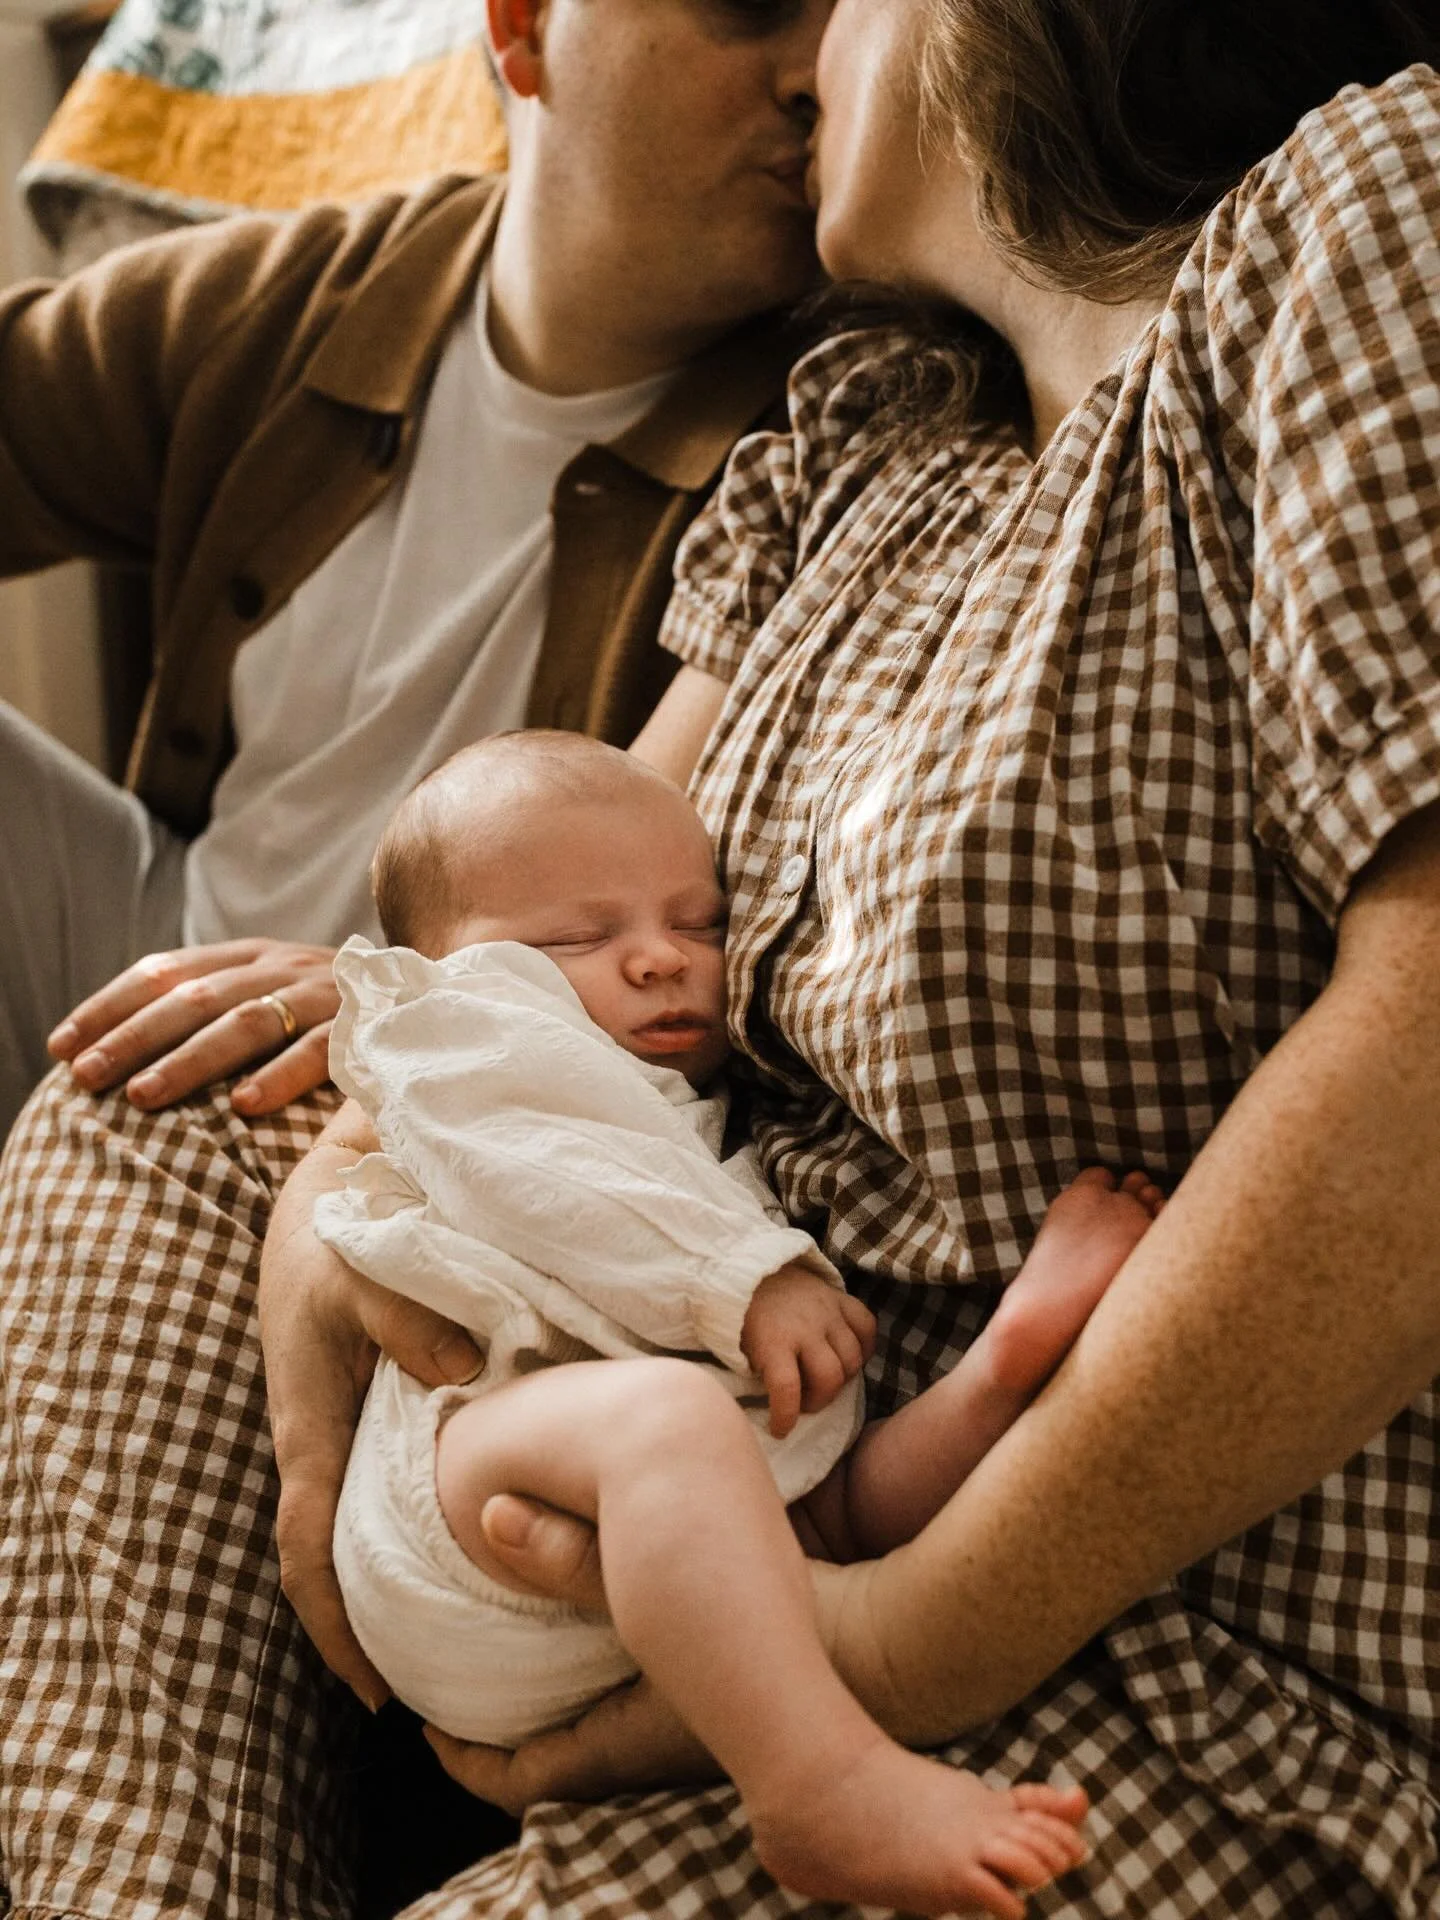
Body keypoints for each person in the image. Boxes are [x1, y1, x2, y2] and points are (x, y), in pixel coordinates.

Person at [3, 3, 1439, 1917]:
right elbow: (548, 974)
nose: (803, 48)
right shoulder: (859, 440)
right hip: (691, 1462)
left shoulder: (1362, 208)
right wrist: (323, 1232)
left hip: (1127, 1655)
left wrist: (888, 1639)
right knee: (142, 1129)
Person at [314, 730, 1164, 1914]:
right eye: (575, 938)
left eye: (701, 923)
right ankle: (819, 1785)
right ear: (440, 966)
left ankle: (1009, 1362)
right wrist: (744, 1277)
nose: (662, 958)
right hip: (464, 1492)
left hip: (667, 1545)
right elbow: (554, 1174)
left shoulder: (679, 1100)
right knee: (669, 1422)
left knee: (837, 1503)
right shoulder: (458, 1045)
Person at [0, 0, 829, 1138]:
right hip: (150, 965)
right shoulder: (307, 301)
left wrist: (395, 1003)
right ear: (524, 27)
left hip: (463, 1097)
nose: (817, 71)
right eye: (755, 7)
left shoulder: (845, 432)